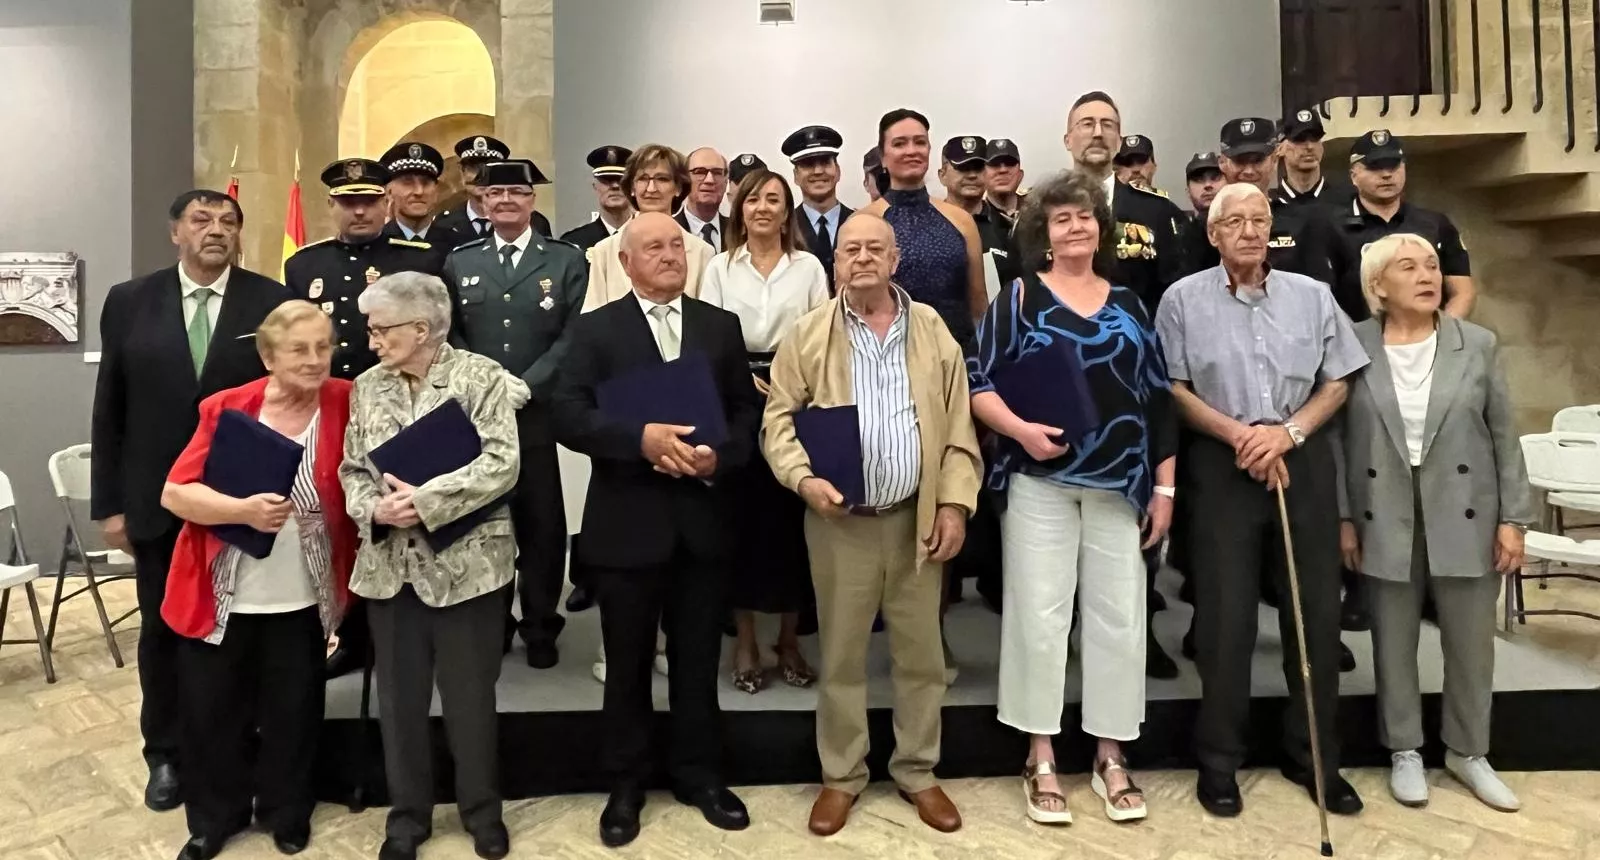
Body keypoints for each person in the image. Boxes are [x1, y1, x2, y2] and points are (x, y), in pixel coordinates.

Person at [762, 212, 982, 837]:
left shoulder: (934, 329)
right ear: (836, 263)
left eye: (874, 249)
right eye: (850, 248)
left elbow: (960, 425)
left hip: (916, 519)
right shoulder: (808, 334)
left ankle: (917, 769)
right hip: (840, 523)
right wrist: (804, 479)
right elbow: (778, 422)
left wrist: (953, 505)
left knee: (922, 656)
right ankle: (842, 776)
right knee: (841, 656)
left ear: (894, 260)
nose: (862, 257)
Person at [968, 170, 1177, 824]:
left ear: (1101, 227)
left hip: (1120, 485)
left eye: (1085, 216)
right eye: (1062, 219)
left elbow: (1159, 398)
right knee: (1040, 615)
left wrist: (1165, 485)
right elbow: (979, 383)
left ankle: (1111, 752)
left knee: (1119, 619)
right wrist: (1021, 433)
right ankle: (1042, 751)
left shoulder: (1130, 303)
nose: (1076, 226)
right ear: (1044, 233)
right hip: (1040, 482)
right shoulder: (1020, 298)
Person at [1155, 182, 1369, 819]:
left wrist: (1288, 433)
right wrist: (1240, 435)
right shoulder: (1182, 299)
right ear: (1213, 234)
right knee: (1225, 623)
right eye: (1234, 222)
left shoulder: (1312, 296)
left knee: (1314, 618)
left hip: (1299, 458)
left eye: (1259, 220)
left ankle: (1315, 758)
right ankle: (1219, 762)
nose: (1249, 230)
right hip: (1221, 465)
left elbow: (1340, 381)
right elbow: (1173, 387)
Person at [552, 212, 762, 848]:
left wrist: (719, 456)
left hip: (702, 520)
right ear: (625, 261)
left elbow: (746, 409)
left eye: (677, 245)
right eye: (654, 247)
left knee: (698, 662)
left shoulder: (719, 327)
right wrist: (638, 440)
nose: (669, 255)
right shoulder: (595, 331)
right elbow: (567, 413)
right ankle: (626, 784)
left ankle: (701, 775)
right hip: (627, 525)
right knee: (628, 665)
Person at [90, 189, 292, 815]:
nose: (216, 230)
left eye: (229, 221)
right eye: (202, 220)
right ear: (175, 230)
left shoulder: (269, 300)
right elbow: (110, 407)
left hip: (243, 499)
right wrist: (111, 504)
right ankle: (167, 754)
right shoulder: (130, 301)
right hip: (159, 503)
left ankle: (247, 749)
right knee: (166, 631)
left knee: (246, 633)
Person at [1335, 233, 1532, 812]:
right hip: (1382, 513)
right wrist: (1344, 518)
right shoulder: (1352, 344)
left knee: (1471, 643)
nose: (1427, 276)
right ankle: (1404, 750)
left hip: (1467, 510)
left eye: (1432, 265)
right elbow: (1337, 444)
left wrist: (1515, 519)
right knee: (1392, 640)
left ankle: (1469, 751)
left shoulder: (1478, 344)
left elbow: (1504, 436)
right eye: (1408, 267)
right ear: (1378, 286)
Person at [339, 271, 527, 860]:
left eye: (381, 330)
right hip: (390, 567)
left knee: (471, 700)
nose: (371, 341)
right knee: (400, 702)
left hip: (469, 567)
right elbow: (351, 469)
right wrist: (375, 508)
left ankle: (481, 812)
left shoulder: (481, 377)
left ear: (420, 330)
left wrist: (422, 502)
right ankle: (407, 817)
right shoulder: (366, 387)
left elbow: (502, 463)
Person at [158, 301, 355, 860]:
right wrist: (241, 511)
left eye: (324, 346)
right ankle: (213, 820)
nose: (315, 360)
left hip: (303, 596)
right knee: (212, 713)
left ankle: (286, 813)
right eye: (299, 349)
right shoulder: (227, 408)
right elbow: (175, 493)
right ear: (269, 355)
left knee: (294, 712)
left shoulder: (348, 399)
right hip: (220, 595)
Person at [443, 159, 588, 669]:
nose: (505, 200)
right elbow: (451, 330)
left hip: (536, 414)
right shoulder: (461, 261)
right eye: (495, 191)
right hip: (478, 416)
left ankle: (541, 625)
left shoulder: (565, 260)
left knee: (542, 526)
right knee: (484, 521)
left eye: (516, 192)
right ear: (482, 201)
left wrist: (530, 382)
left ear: (532, 201)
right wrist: (487, 382)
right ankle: (495, 622)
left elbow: (575, 331)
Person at [699, 170, 828, 694]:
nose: (762, 208)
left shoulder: (810, 267)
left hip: (797, 397)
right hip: (738, 396)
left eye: (773, 199)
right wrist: (742, 380)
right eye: (753, 198)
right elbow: (706, 333)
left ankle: (791, 639)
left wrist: (789, 382)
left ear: (786, 210)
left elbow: (824, 332)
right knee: (742, 525)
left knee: (793, 526)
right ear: (740, 209)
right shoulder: (720, 268)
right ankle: (747, 640)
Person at [284, 159, 443, 382]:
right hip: (325, 386)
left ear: (386, 202)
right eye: (348, 203)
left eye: (369, 202)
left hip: (399, 385)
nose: (359, 211)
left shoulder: (419, 260)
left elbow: (438, 332)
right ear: (331, 204)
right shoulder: (304, 264)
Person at [1178, 118, 1357, 307]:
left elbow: (1318, 294)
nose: (1249, 170)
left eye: (1258, 161)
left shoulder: (1305, 220)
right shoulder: (1202, 228)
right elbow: (1190, 296)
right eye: (1240, 161)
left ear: (1273, 159)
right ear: (1223, 163)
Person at [860, 109, 986, 349]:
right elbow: (850, 306)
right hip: (888, 360)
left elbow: (979, 306)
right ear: (883, 157)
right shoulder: (864, 222)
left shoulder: (961, 221)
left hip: (958, 357)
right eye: (899, 143)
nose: (911, 150)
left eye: (920, 142)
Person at [1334, 130, 1475, 320]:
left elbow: (1462, 292)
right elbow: (1321, 299)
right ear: (1354, 175)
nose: (1386, 175)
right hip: (1356, 343)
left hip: (1427, 342)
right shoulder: (1329, 227)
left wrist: (1441, 336)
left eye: (1393, 166)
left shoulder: (1435, 224)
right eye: (1375, 167)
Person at [582, 143, 715, 311]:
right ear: (631, 188)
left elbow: (708, 321)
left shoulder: (702, 252)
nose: (651, 189)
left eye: (662, 179)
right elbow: (592, 322)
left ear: (678, 188)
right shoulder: (604, 251)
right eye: (643, 179)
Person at [435, 135, 554, 239]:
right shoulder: (444, 223)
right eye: (473, 168)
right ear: (462, 173)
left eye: (489, 169)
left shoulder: (534, 222)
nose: (480, 176)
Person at [783, 125, 853, 294]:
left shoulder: (858, 222)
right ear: (795, 175)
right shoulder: (783, 228)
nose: (818, 171)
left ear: (837, 171)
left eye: (825, 162)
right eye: (808, 164)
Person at [379, 141, 466, 248]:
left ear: (436, 190)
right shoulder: (375, 245)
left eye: (426, 182)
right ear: (389, 191)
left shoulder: (459, 245)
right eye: (407, 182)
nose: (419, 191)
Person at [1273, 107, 1353, 209]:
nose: (1309, 146)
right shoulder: (1269, 205)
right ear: (1280, 148)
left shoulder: (1347, 201)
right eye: (1299, 139)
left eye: (1315, 138)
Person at [560, 146, 634, 254]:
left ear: (632, 186)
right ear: (595, 186)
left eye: (621, 179)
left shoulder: (650, 237)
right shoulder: (574, 243)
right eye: (606, 179)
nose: (614, 186)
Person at [677, 147, 731, 252]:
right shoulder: (668, 229)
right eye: (700, 172)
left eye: (717, 172)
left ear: (726, 182)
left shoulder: (742, 232)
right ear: (685, 180)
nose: (709, 180)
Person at [983, 138, 1026, 226]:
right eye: (994, 164)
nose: (1003, 170)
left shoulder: (1040, 214)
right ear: (982, 175)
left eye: (1010, 163)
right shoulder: (973, 220)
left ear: (1020, 175)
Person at [1185, 151, 1224, 218]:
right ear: (1188, 192)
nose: (1208, 185)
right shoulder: (1182, 228)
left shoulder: (1246, 226)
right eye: (1199, 180)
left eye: (1215, 178)